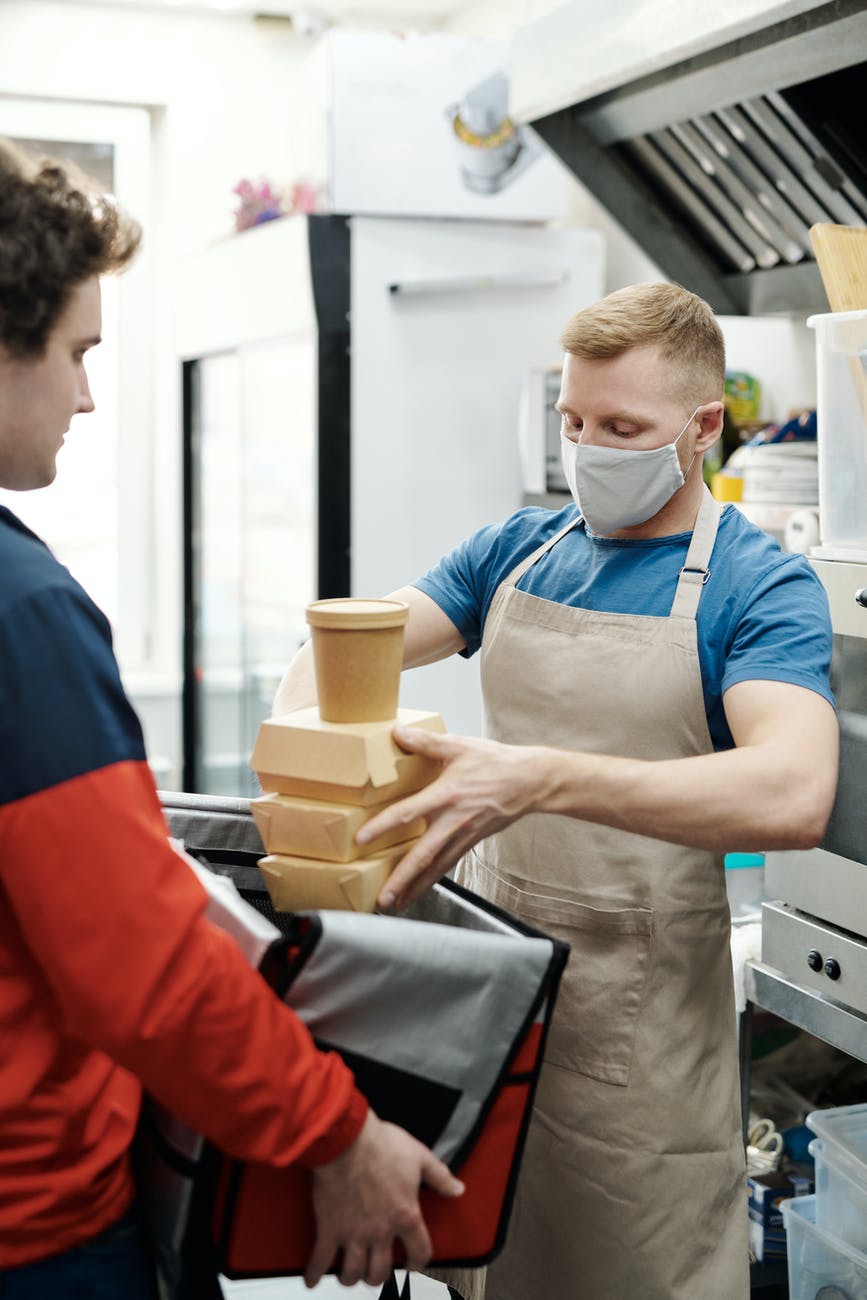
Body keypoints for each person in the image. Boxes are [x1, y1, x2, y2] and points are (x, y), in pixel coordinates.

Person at [273, 282, 840, 1300]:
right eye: (574, 422)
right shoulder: (519, 549)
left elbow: (792, 788)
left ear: (702, 428)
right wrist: (317, 794)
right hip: (497, 1012)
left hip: (645, 1061)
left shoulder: (760, 584)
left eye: (622, 427)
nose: (588, 450)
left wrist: (537, 777)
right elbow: (343, 655)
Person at [0, 137, 463, 1300]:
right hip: (32, 1231)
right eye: (76, 351)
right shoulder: (21, 612)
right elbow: (140, 970)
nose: (88, 392)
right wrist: (336, 1132)